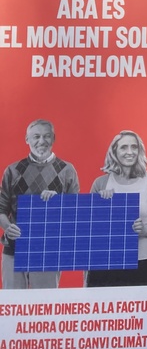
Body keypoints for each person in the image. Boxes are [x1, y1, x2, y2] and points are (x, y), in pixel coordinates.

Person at [0, 119, 80, 289]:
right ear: (26, 139)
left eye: (47, 136)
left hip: (48, 251)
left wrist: (58, 201)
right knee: (14, 303)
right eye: (36, 136)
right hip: (15, 248)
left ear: (54, 138)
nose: (41, 141)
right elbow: (1, 209)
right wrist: (7, 227)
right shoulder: (12, 170)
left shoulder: (67, 170)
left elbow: (75, 212)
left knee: (44, 303)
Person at [87, 130, 147, 287]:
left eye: (134, 147)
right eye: (123, 147)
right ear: (114, 152)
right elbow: (88, 225)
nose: (130, 152)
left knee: (143, 303)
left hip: (144, 261)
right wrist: (100, 204)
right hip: (106, 261)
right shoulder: (100, 183)